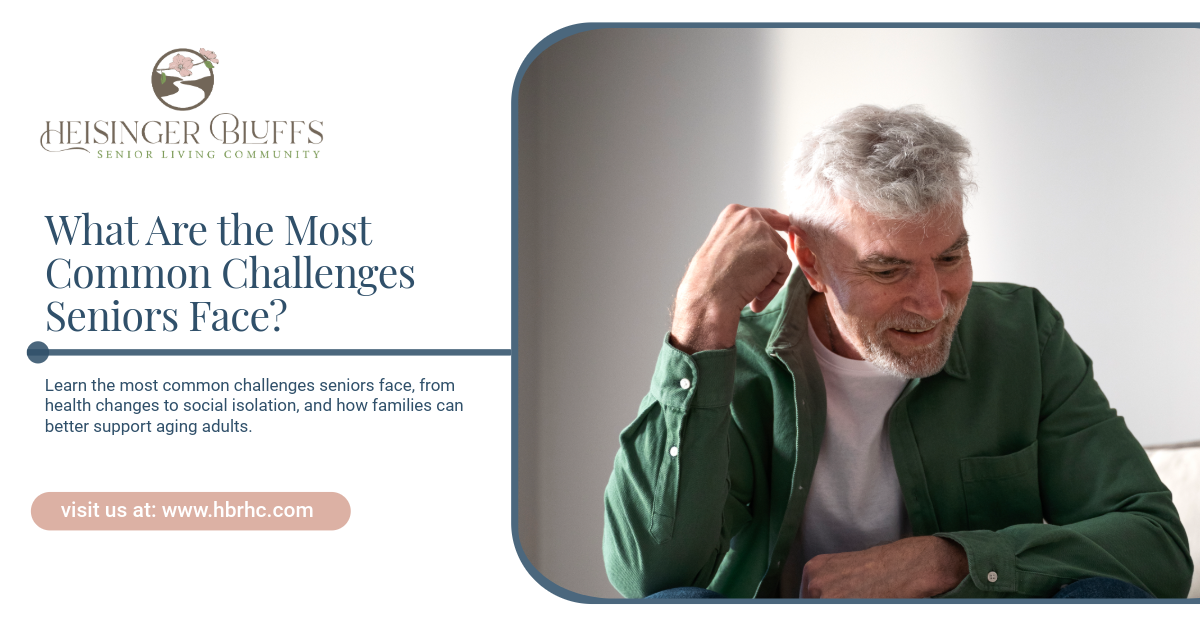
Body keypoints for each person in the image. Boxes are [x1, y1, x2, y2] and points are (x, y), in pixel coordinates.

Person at [601, 105, 1193, 599]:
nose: (934, 306)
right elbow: (650, 577)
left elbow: (1156, 546)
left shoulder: (1022, 333)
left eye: (950, 257)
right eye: (888, 269)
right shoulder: (735, 358)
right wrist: (701, 316)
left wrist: (949, 561)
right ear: (810, 261)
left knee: (1108, 598)